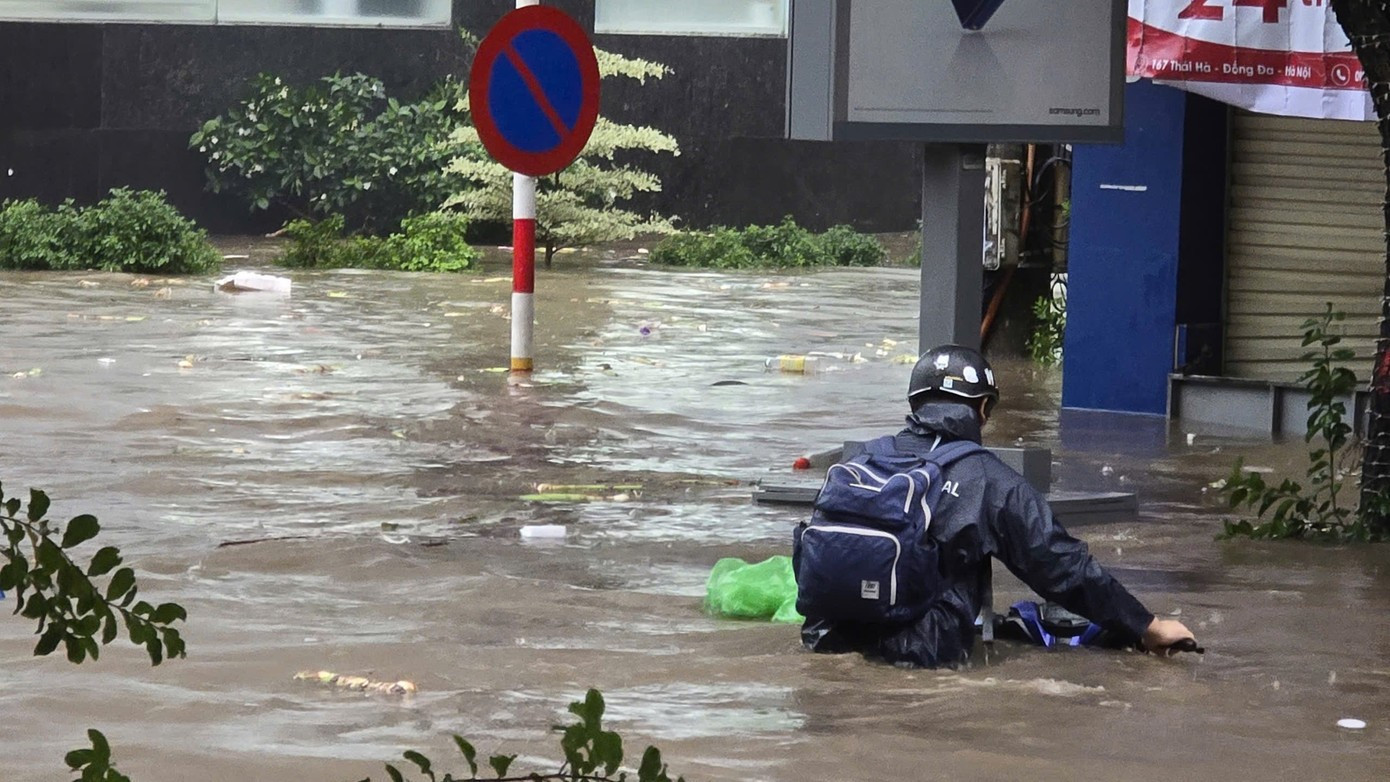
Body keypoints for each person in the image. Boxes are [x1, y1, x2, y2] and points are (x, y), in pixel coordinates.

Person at [799, 344, 1196, 668]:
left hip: (825, 641)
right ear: (983, 410)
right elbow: (1061, 566)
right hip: (921, 656)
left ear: (916, 402)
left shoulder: (858, 461)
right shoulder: (989, 479)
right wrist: (1146, 625)